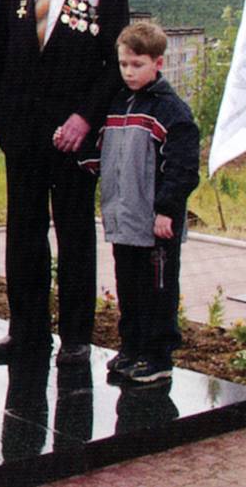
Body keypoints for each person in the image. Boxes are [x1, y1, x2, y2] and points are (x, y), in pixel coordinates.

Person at [0, 0, 129, 365]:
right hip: (22, 134)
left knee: (74, 234)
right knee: (23, 235)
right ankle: (26, 331)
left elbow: (114, 66)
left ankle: (77, 336)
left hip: (74, 138)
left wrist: (86, 116)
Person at [81, 21, 200, 383]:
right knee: (128, 287)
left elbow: (182, 168)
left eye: (137, 64)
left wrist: (167, 209)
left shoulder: (171, 111)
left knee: (158, 290)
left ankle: (158, 356)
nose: (129, 72)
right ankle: (131, 347)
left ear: (158, 64)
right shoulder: (118, 103)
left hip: (155, 223)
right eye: (123, 64)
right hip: (124, 217)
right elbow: (103, 150)